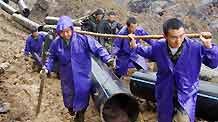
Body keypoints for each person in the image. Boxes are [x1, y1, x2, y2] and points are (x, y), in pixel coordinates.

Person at [129, 18, 218, 122]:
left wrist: (209, 47)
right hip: (164, 92)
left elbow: (213, 63)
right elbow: (147, 52)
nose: (179, 40)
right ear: (165, 36)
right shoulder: (159, 47)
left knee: (183, 120)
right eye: (174, 37)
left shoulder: (195, 47)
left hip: (186, 94)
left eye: (181, 36)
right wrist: (135, 46)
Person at [40, 16, 114, 122]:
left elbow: (98, 48)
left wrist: (108, 59)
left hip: (82, 76)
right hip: (67, 76)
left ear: (72, 29)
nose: (65, 35)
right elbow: (51, 56)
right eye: (62, 32)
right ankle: (71, 109)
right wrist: (46, 68)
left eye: (67, 31)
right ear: (59, 32)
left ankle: (80, 114)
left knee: (82, 96)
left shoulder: (83, 39)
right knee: (68, 96)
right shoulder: (57, 43)